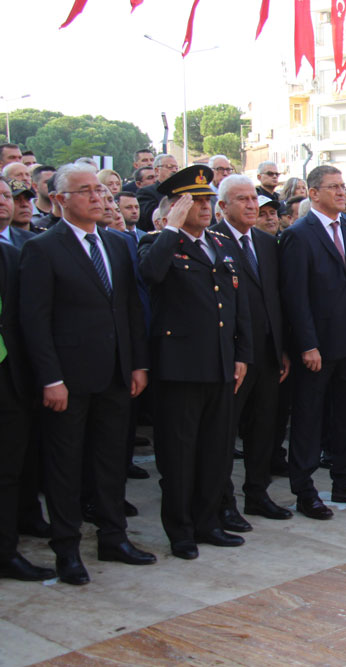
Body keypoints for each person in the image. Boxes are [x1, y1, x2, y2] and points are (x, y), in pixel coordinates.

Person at [20, 163, 154, 584]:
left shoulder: (115, 244)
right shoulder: (43, 248)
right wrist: (50, 378)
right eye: (86, 191)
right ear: (60, 200)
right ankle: (67, 550)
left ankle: (114, 537)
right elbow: (34, 321)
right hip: (68, 380)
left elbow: (129, 309)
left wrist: (136, 363)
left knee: (111, 461)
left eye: (100, 191)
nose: (98, 198)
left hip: (116, 374)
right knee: (65, 467)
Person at [138, 165, 252, 560]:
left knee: (215, 453)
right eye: (196, 201)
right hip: (181, 368)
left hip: (221, 365)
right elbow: (150, 274)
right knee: (179, 456)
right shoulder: (160, 243)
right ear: (174, 207)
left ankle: (208, 522)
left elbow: (238, 307)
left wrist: (242, 355)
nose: (205, 208)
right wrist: (170, 228)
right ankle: (181, 531)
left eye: (207, 200)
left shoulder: (218, 244)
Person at [279, 165, 346, 518]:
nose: (341, 192)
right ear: (313, 192)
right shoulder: (299, 234)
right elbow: (295, 297)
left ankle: (344, 482)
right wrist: (307, 345)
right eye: (332, 187)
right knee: (309, 420)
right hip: (317, 349)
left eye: (343, 187)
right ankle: (305, 490)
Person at [210, 175, 292, 526]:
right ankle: (222, 501)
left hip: (268, 353)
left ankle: (257, 493)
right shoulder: (212, 241)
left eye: (253, 200)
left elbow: (275, 297)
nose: (250, 205)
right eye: (241, 199)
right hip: (231, 356)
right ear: (223, 206)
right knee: (224, 434)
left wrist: (283, 348)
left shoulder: (265, 241)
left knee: (264, 429)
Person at [0, 235, 56, 582]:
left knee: (7, 473)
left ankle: (5, 553)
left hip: (10, 380)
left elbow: (29, 319)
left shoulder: (10, 255)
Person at [136, 154, 179, 231]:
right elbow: (149, 217)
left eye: (176, 168)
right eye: (169, 167)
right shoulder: (146, 192)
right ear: (156, 170)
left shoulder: (180, 191)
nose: (174, 170)